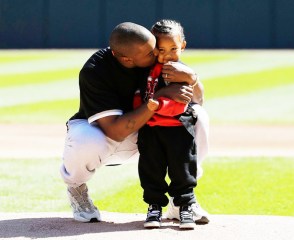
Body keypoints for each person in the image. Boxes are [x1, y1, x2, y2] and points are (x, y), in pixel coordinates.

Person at [60, 21, 209, 224]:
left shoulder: (158, 58)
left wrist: (192, 78)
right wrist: (161, 94)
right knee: (86, 139)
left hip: (146, 133)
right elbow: (115, 131)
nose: (156, 53)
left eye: (155, 47)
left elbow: (196, 100)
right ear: (126, 59)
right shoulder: (95, 70)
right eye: (150, 53)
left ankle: (181, 200)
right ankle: (76, 186)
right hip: (105, 134)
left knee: (197, 116)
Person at [136, 19, 202, 230]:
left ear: (183, 45)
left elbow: (197, 100)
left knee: (182, 170)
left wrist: (191, 78)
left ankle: (185, 207)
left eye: (173, 48)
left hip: (179, 128)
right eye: (160, 49)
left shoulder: (183, 71)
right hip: (151, 128)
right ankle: (154, 206)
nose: (166, 55)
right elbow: (139, 98)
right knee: (151, 169)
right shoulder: (145, 70)